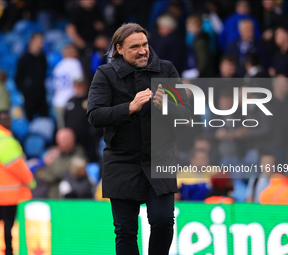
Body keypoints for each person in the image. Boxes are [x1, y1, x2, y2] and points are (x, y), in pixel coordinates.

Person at [87, 23, 190, 255]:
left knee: (164, 222)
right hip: (121, 161)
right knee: (125, 231)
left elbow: (187, 115)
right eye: (135, 47)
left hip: (159, 159)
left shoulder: (166, 69)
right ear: (119, 49)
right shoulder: (105, 74)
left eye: (145, 44)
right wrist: (129, 108)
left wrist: (169, 107)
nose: (143, 50)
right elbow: (94, 115)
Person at [0, 110, 35, 255]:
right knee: (8, 224)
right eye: (4, 119)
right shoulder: (2, 139)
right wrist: (29, 180)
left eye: (8, 118)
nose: (8, 121)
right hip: (7, 190)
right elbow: (15, 164)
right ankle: (8, 251)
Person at [39, 128, 85, 199]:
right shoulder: (58, 154)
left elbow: (65, 172)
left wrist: (53, 173)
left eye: (63, 141)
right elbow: (46, 174)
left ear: (71, 140)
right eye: (58, 140)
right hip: (52, 193)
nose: (59, 143)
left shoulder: (78, 153)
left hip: (71, 196)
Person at [64, 78, 101, 162]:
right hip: (73, 141)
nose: (79, 87)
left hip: (88, 140)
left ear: (86, 86)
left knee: (89, 160)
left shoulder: (92, 101)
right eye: (77, 85)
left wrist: (93, 133)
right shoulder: (71, 101)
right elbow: (65, 119)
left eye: (81, 85)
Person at [15, 32, 48, 121]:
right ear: (31, 42)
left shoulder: (43, 58)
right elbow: (18, 78)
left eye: (42, 41)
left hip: (41, 95)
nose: (40, 44)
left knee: (45, 119)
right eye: (38, 41)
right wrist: (26, 90)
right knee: (29, 120)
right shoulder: (24, 59)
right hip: (29, 97)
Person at [52, 44, 84, 129]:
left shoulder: (58, 66)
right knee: (73, 130)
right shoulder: (74, 63)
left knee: (62, 130)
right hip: (71, 101)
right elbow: (79, 82)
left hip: (58, 101)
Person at [182, 14, 213, 79]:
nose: (187, 27)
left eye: (189, 25)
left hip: (202, 76)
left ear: (196, 25)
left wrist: (196, 72)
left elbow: (203, 60)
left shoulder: (200, 41)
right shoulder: (197, 39)